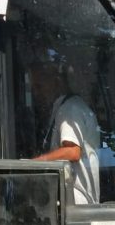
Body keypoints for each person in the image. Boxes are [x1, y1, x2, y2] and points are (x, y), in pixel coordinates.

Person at [32, 63, 101, 204]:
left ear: (56, 82)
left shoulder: (69, 109)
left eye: (39, 86)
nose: (36, 92)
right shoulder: (64, 106)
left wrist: (35, 163)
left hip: (75, 199)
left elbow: (72, 151)